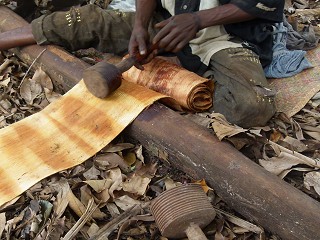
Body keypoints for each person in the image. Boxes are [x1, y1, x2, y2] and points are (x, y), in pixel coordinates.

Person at [0, 1, 285, 128]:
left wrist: (198, 20)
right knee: (85, 20)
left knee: (252, 106)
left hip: (224, 36)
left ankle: (187, 68)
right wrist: (138, 26)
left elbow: (262, 2)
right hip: (163, 23)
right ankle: (5, 38)